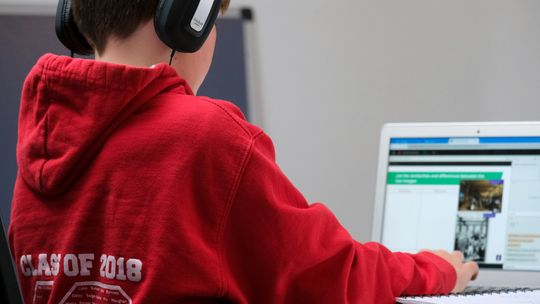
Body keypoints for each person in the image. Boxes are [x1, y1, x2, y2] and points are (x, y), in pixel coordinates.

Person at [9, 0, 479, 303]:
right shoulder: (205, 136)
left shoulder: (42, 142)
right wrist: (437, 271)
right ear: (186, 21)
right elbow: (334, 276)